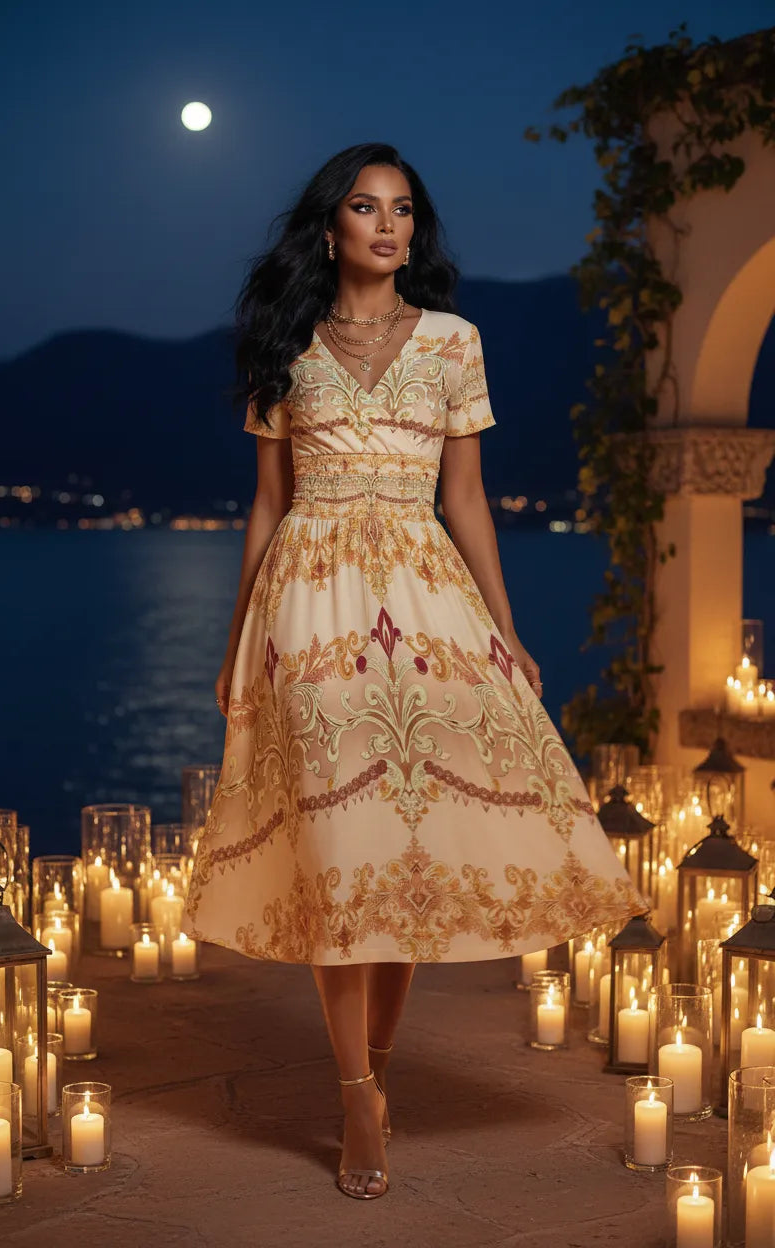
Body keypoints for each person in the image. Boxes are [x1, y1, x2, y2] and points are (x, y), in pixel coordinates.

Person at [183, 142, 648, 1201]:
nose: (386, 226)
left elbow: (467, 499)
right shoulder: (285, 345)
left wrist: (509, 629)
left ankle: (372, 1074)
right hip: (308, 602)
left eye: (401, 210)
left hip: (425, 598)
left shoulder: (452, 342)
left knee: (396, 856)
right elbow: (265, 502)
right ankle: (355, 1098)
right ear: (331, 226)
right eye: (363, 207)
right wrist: (234, 639)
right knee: (342, 853)